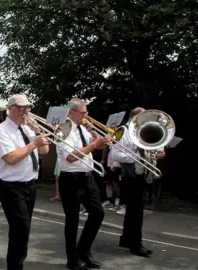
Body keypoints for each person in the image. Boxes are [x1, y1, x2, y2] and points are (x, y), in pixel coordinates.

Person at [0, 94, 50, 270]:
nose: (26, 111)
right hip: (11, 186)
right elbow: (10, 158)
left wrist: (38, 132)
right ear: (10, 109)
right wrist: (33, 144)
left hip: (29, 184)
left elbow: (45, 150)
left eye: (27, 108)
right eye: (21, 108)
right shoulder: (1, 131)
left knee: (24, 230)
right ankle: (15, 267)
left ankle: (18, 264)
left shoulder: (28, 129)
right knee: (20, 229)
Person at [56, 98, 109, 270]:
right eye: (83, 112)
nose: (86, 115)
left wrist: (100, 142)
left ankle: (83, 251)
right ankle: (72, 260)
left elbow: (91, 149)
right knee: (72, 220)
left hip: (87, 176)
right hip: (70, 178)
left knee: (97, 213)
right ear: (72, 111)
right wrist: (94, 145)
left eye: (86, 112)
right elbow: (71, 157)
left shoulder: (83, 129)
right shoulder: (63, 129)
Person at [111, 107, 165, 257]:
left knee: (132, 209)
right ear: (134, 117)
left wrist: (157, 153)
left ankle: (126, 239)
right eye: (143, 117)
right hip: (129, 174)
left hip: (141, 173)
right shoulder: (122, 131)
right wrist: (136, 158)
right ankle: (136, 245)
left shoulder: (142, 131)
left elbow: (151, 147)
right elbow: (115, 154)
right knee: (137, 210)